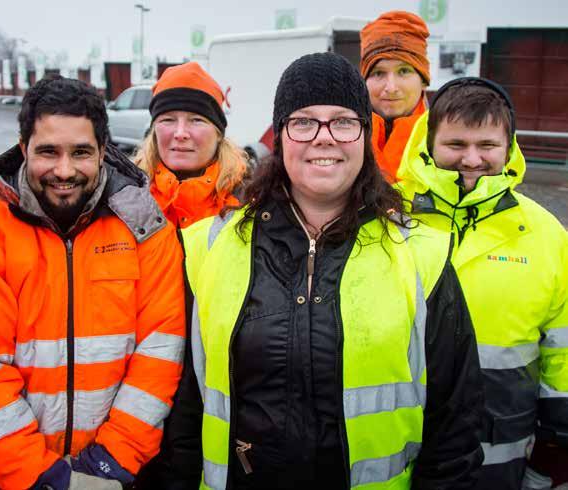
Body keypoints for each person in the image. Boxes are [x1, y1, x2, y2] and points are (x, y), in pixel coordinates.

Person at [151, 52, 484, 489]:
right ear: (280, 136)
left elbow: (455, 426)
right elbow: (184, 411)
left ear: (365, 135)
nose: (323, 138)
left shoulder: (422, 253)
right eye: (303, 122)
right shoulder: (208, 247)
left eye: (343, 121)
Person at [0, 76, 185, 489]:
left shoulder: (146, 231)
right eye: (48, 152)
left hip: (119, 474)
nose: (64, 171)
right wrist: (42, 476)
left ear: (103, 151)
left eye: (81, 152)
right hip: (17, 478)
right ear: (24, 149)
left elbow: (160, 351)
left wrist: (110, 463)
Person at [396, 77, 568, 490]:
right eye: (456, 145)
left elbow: (562, 355)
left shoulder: (545, 234)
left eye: (486, 146)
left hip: (501, 456)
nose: (471, 159)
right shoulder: (384, 219)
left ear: (508, 148)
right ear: (429, 144)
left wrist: (555, 450)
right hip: (395, 456)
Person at [133, 62, 247, 228]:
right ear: (154, 131)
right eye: (168, 120)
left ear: (218, 134)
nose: (180, 133)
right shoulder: (127, 198)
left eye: (196, 120)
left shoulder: (249, 201)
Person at [360, 10, 431, 182]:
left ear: (423, 80)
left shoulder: (446, 137)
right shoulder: (339, 135)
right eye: (378, 73)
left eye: (404, 71)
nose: (391, 87)